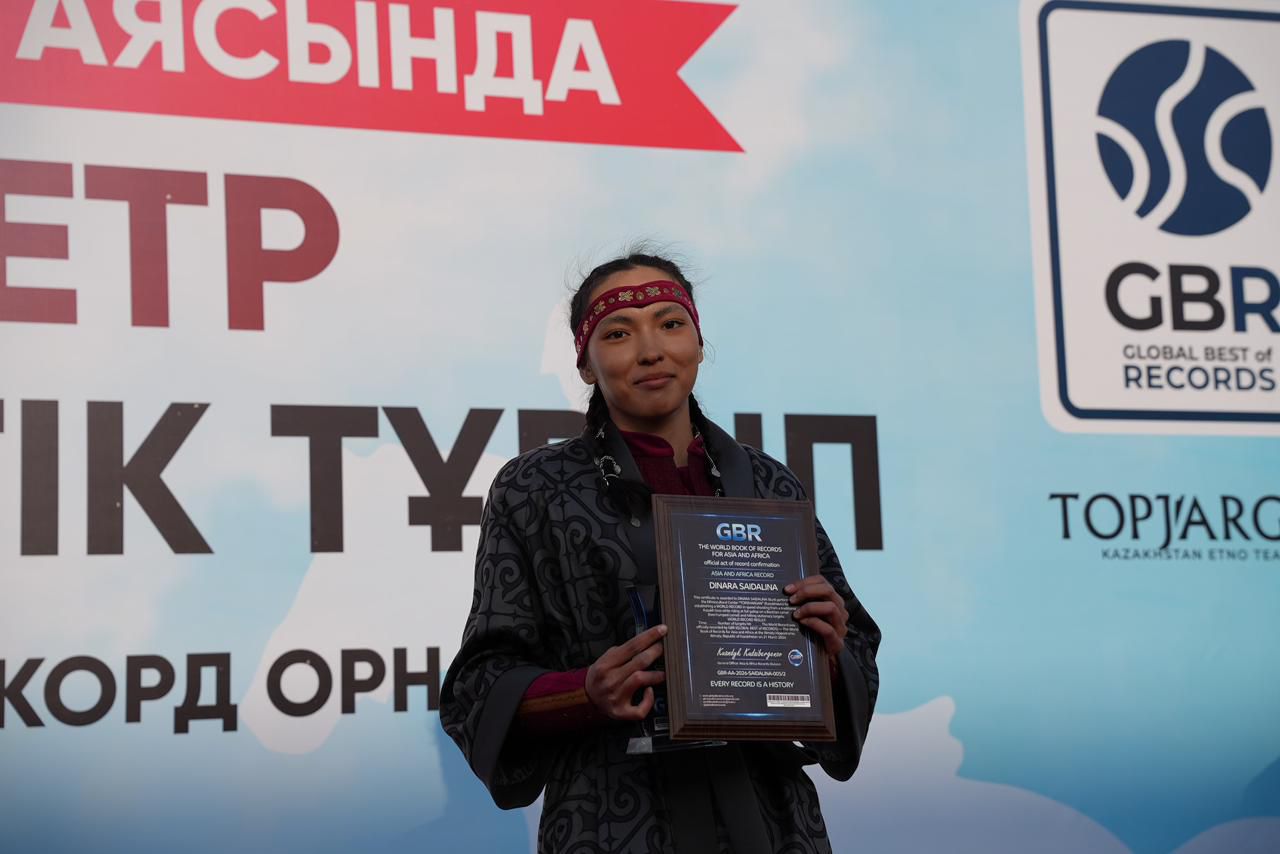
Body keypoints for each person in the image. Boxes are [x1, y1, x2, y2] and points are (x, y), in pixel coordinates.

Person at [440, 251, 880, 854]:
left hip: (773, 817)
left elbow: (854, 651)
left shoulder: (769, 484)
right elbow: (479, 684)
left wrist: (827, 650)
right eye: (619, 333)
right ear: (586, 364)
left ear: (698, 344)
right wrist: (584, 692)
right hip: (609, 817)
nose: (651, 350)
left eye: (671, 324)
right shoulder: (533, 489)